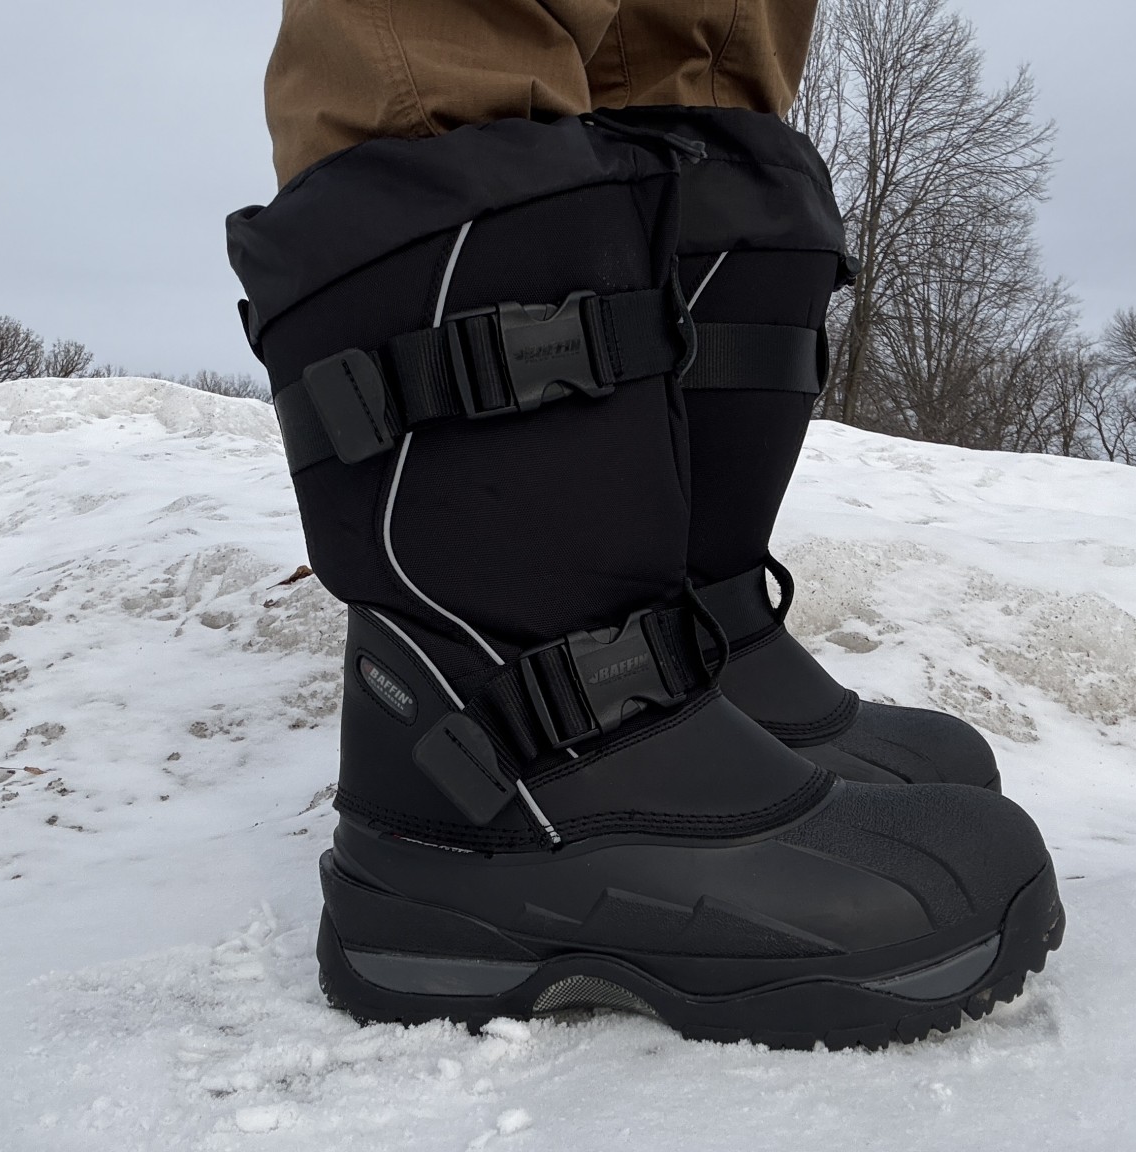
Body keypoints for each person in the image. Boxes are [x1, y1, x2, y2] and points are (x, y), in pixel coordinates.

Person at [226, 0, 1063, 1049]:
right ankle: (521, 782)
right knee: (449, 58)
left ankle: (679, 658)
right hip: (492, 757)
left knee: (693, 61)